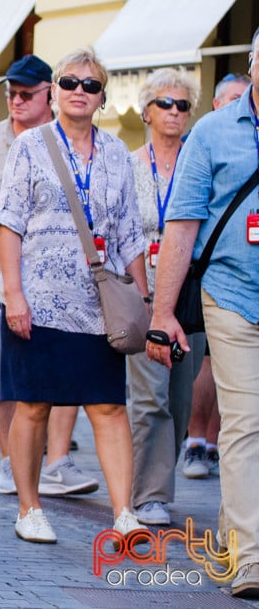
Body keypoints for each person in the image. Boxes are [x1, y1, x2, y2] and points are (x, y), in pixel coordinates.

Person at [0, 47, 148, 544]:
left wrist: (143, 307)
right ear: (54, 91)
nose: (79, 92)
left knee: (108, 406)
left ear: (103, 96)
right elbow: (10, 223)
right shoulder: (30, 146)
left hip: (96, 306)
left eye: (91, 85)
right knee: (35, 405)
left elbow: (129, 236)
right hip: (37, 301)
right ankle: (29, 508)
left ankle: (125, 513)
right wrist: (14, 295)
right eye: (69, 82)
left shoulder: (117, 156)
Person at [145, 27, 259, 599]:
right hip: (232, 294)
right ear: (253, 64)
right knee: (244, 422)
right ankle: (249, 560)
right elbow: (182, 224)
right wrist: (163, 313)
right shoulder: (213, 133)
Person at [0, 54, 98, 497]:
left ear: (47, 95)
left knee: (60, 373)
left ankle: (56, 460)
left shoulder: (63, 141)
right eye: (10, 94)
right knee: (1, 374)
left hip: (60, 278)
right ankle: (8, 460)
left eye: (25, 94)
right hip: (0, 276)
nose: (15, 101)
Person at [126, 68, 206, 527]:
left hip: (189, 290)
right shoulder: (129, 165)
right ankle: (150, 493)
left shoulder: (198, 163)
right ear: (146, 111)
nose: (174, 112)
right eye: (165, 103)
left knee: (180, 396)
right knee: (150, 396)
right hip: (143, 288)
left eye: (182, 105)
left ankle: (158, 477)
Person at [182, 72, 249, 480]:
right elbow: (184, 221)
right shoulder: (206, 139)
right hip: (214, 280)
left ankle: (215, 442)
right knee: (208, 364)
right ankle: (195, 441)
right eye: (234, 99)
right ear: (217, 105)